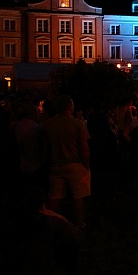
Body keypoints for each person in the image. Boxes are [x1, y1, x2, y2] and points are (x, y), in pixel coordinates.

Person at [42, 95, 91, 228]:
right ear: (70, 107)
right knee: (78, 197)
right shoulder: (78, 124)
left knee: (54, 196)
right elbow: (84, 148)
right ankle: (80, 225)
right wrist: (86, 165)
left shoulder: (47, 125)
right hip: (75, 164)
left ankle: (50, 224)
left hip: (56, 164)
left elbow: (45, 148)